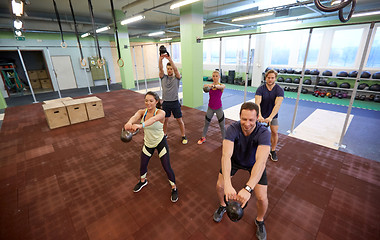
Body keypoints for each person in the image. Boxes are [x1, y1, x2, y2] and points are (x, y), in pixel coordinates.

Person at [213, 102, 270, 240]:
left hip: (254, 164)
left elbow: (261, 162)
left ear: (257, 118)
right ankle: (223, 206)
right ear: (239, 116)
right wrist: (227, 183)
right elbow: (226, 156)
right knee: (220, 185)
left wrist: (248, 188)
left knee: (262, 197)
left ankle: (260, 220)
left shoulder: (264, 133)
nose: (247, 123)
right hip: (235, 160)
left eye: (251, 120)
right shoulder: (232, 128)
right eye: (244, 119)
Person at [124, 91, 178, 202]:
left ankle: (174, 188)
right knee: (142, 165)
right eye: (146, 101)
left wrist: (140, 125)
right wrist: (129, 123)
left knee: (167, 167)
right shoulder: (141, 112)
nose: (148, 103)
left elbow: (153, 120)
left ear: (156, 101)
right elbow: (134, 117)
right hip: (148, 143)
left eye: (151, 101)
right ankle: (143, 181)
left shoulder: (161, 113)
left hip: (160, 142)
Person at [254, 69, 284, 162]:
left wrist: (270, 117)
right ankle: (256, 148)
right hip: (261, 114)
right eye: (268, 77)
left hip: (273, 115)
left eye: (272, 78)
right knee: (257, 132)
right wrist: (260, 116)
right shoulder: (260, 89)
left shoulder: (279, 90)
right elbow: (257, 103)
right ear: (266, 78)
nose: (270, 79)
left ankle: (273, 150)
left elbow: (277, 105)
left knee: (274, 132)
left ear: (275, 78)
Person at [159, 54, 188, 144]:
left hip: (175, 102)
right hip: (165, 103)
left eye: (171, 69)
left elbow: (176, 70)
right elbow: (160, 68)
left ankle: (183, 135)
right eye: (168, 69)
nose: (170, 70)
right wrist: (160, 59)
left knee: (179, 120)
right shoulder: (163, 77)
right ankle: (164, 134)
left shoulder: (177, 78)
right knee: (165, 120)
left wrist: (170, 60)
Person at [198, 70, 226, 144]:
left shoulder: (221, 86)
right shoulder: (209, 86)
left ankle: (224, 140)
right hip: (210, 108)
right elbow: (204, 87)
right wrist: (208, 86)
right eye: (213, 76)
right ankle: (203, 137)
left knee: (222, 125)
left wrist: (212, 86)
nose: (215, 78)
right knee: (206, 123)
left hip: (219, 108)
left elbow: (221, 86)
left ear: (219, 77)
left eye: (216, 76)